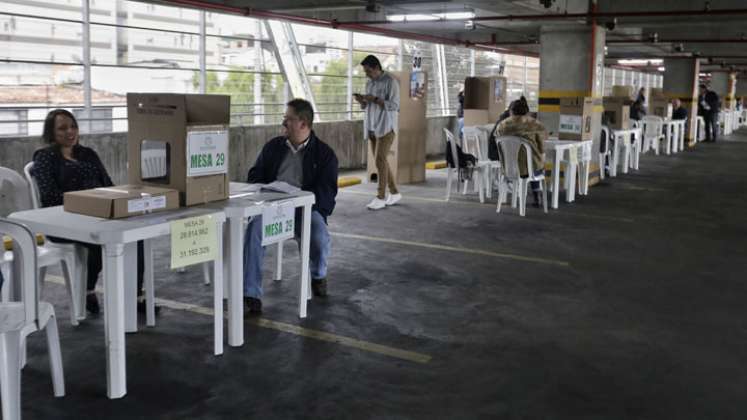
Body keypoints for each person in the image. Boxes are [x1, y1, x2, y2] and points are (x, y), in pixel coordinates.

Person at [31, 109, 155, 315]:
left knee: (135, 235)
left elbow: (108, 184)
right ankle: (87, 289)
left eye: (73, 126)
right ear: (51, 133)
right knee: (98, 241)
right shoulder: (45, 158)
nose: (70, 131)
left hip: (98, 214)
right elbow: (49, 196)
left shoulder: (88, 154)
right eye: (62, 128)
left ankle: (135, 296)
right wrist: (86, 202)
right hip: (63, 221)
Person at [243, 99, 338, 315]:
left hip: (305, 210)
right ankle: (251, 294)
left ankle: (318, 275)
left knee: (318, 232)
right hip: (273, 207)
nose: (283, 123)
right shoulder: (273, 147)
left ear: (303, 123)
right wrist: (264, 187)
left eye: (288, 119)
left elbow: (327, 193)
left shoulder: (324, 154)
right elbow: (254, 173)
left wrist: (308, 203)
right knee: (254, 229)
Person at [354, 54, 401, 211]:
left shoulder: (391, 81)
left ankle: (380, 197)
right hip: (372, 126)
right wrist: (362, 101)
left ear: (376, 68)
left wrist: (375, 99)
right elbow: (367, 106)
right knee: (381, 161)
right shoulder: (369, 83)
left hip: (386, 126)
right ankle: (394, 192)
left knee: (380, 160)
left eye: (368, 71)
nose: (366, 74)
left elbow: (394, 105)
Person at [496, 96, 547, 207]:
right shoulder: (534, 124)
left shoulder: (501, 125)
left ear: (511, 111)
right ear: (527, 111)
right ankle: (536, 195)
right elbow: (541, 146)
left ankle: (513, 192)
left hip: (508, 168)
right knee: (537, 163)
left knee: (527, 161)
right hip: (529, 170)